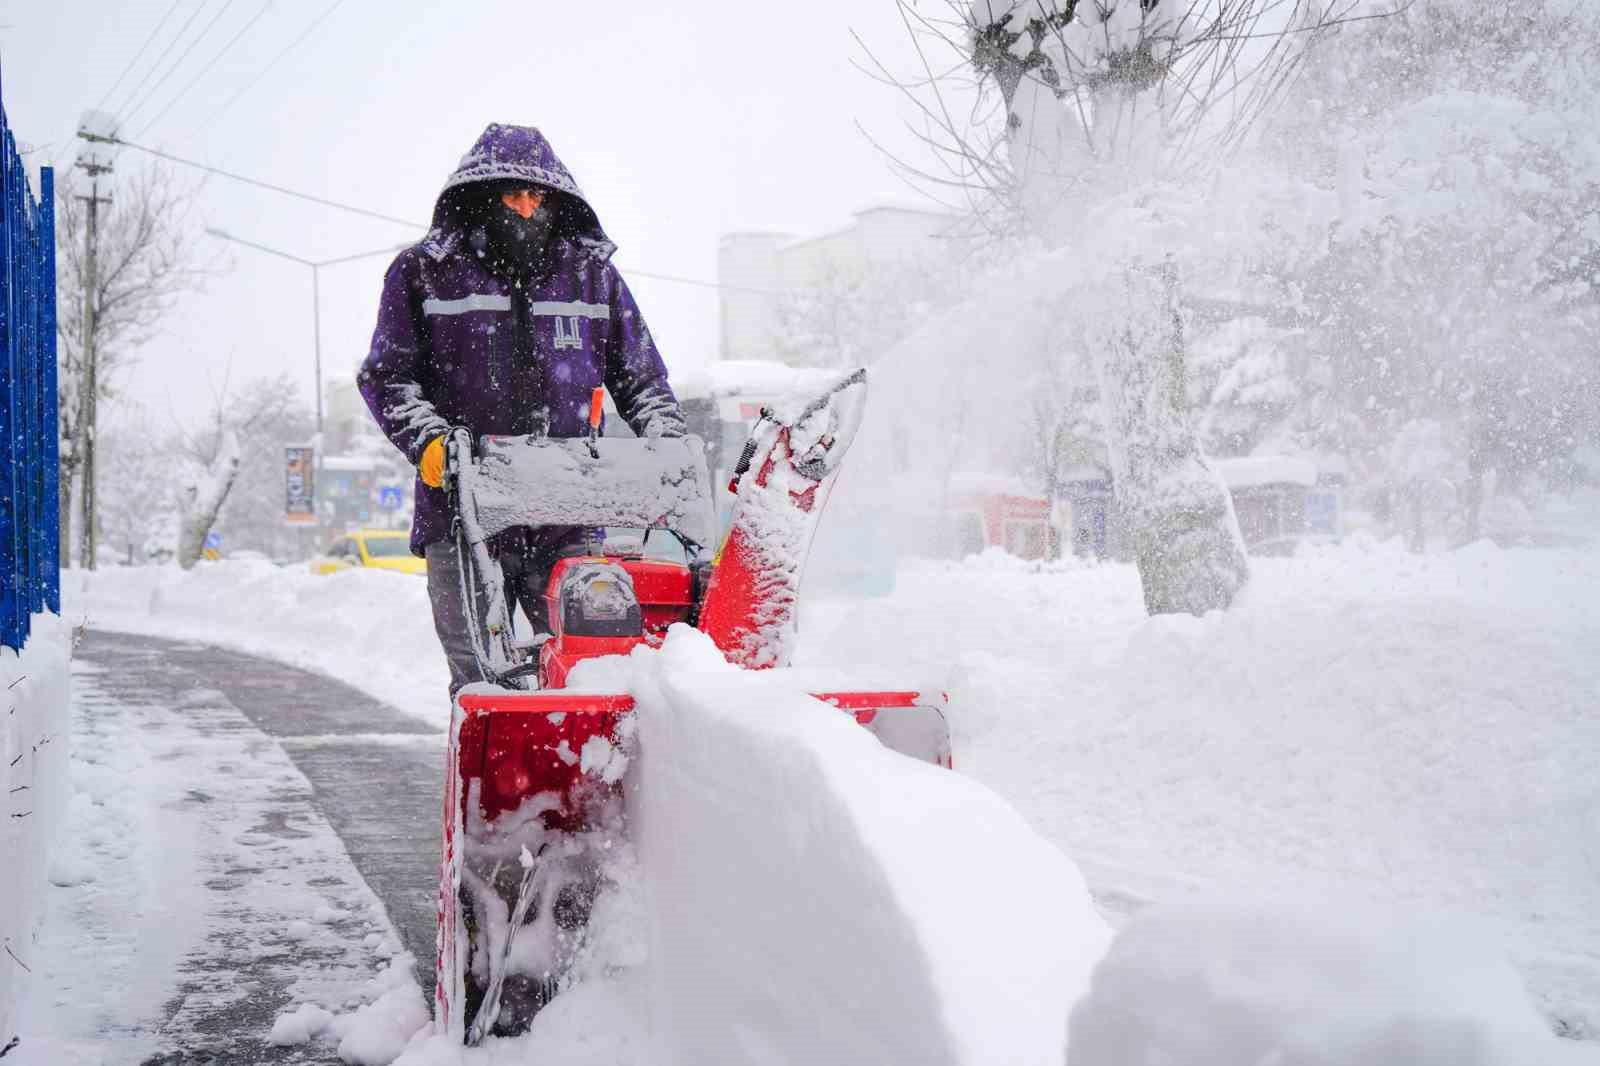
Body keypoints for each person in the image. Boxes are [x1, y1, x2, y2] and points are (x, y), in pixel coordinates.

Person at [359, 123, 686, 694]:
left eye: (539, 196)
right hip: (463, 512)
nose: (528, 207)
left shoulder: (592, 278)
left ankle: (583, 782)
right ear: (480, 197)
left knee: (589, 672)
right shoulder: (423, 273)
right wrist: (430, 441)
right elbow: (388, 378)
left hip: (569, 512)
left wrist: (668, 441)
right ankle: (493, 779)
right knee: (482, 682)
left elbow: (643, 380)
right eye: (513, 195)